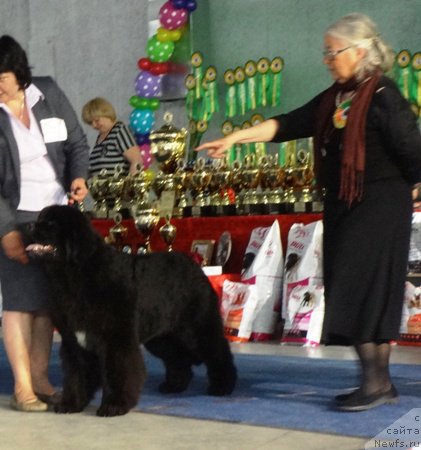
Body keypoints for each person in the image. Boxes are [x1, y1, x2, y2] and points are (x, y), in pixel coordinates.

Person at [197, 13, 421, 412]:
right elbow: (287, 123)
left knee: (363, 292)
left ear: (360, 52)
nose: (326, 59)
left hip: (380, 209)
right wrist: (234, 138)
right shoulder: (336, 97)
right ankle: (379, 382)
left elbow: (413, 152)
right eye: (326, 52)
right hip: (345, 206)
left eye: (332, 52)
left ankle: (375, 383)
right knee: (349, 287)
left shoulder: (384, 95)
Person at [0, 35, 89, 412]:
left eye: (0, 77)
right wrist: (6, 232)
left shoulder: (47, 93)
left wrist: (79, 178)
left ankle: (41, 377)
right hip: (13, 216)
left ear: (19, 72)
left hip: (56, 217)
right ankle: (22, 387)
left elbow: (77, 143)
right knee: (19, 302)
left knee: (47, 303)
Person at [81, 97, 143, 177]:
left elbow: (136, 161)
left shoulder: (119, 130)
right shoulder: (100, 137)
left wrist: (129, 186)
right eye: (90, 123)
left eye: (97, 120)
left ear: (106, 114)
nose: (94, 125)